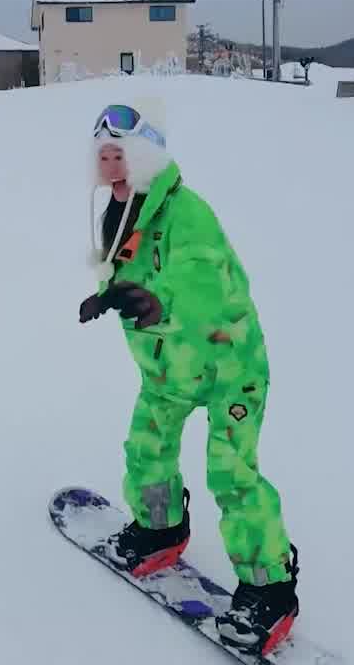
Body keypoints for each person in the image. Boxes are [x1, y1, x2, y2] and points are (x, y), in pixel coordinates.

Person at [78, 100, 299, 657]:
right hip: (168, 370)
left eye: (122, 154)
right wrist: (110, 294)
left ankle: (270, 589)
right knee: (147, 448)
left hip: (229, 368)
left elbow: (203, 289)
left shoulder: (187, 214)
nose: (111, 165)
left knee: (231, 473)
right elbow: (125, 271)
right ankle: (161, 527)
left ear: (147, 157)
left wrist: (155, 302)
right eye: (103, 155)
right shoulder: (117, 214)